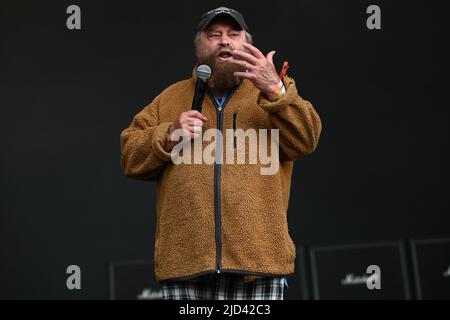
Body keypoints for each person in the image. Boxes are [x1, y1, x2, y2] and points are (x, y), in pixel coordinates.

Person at [120, 7, 322, 300]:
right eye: (214, 35)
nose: (224, 41)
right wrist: (169, 133)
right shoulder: (169, 99)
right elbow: (129, 155)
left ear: (247, 45)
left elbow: (306, 139)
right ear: (199, 47)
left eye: (233, 35)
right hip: (186, 264)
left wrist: (276, 91)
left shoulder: (273, 92)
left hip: (259, 265)